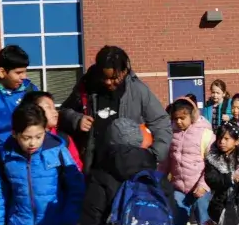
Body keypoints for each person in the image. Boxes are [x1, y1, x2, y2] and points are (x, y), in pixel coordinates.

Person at [60, 45, 172, 174]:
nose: (108, 82)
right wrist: (77, 119)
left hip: (128, 170)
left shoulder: (138, 90)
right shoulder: (87, 87)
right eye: (104, 77)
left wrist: (152, 156)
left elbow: (161, 123)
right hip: (95, 169)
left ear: (124, 71)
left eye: (114, 78)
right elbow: (63, 112)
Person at [163, 98, 216, 225]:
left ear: (192, 115)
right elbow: (166, 161)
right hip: (179, 187)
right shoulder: (171, 133)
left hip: (201, 188)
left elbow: (212, 163)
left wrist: (203, 185)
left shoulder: (205, 134)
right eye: (175, 118)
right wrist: (159, 179)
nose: (178, 122)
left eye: (182, 118)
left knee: (204, 222)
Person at [0, 45, 38, 180]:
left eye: (25, 72)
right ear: (2, 72)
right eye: (18, 73)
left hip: (20, 168)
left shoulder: (31, 92)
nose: (23, 77)